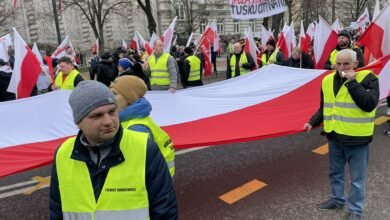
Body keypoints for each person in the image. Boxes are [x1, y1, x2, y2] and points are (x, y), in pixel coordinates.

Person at [49, 80, 178, 220]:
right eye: (97, 115)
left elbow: (165, 210)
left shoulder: (145, 148)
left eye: (112, 112)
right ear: (78, 122)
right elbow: (57, 208)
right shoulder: (63, 153)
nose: (108, 121)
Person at [303, 49, 379, 220]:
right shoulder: (327, 80)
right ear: (335, 63)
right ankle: (337, 200)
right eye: (339, 63)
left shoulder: (368, 78)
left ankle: (355, 210)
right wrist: (312, 121)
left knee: (357, 179)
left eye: (346, 64)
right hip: (335, 137)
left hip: (357, 139)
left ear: (355, 64)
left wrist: (352, 82)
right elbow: (325, 106)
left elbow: (369, 104)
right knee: (335, 173)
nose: (342, 67)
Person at [109, 75, 175, 176]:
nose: (110, 98)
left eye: (114, 94)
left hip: (151, 185)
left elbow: (134, 167)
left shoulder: (137, 128)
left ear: (129, 99)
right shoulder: (132, 119)